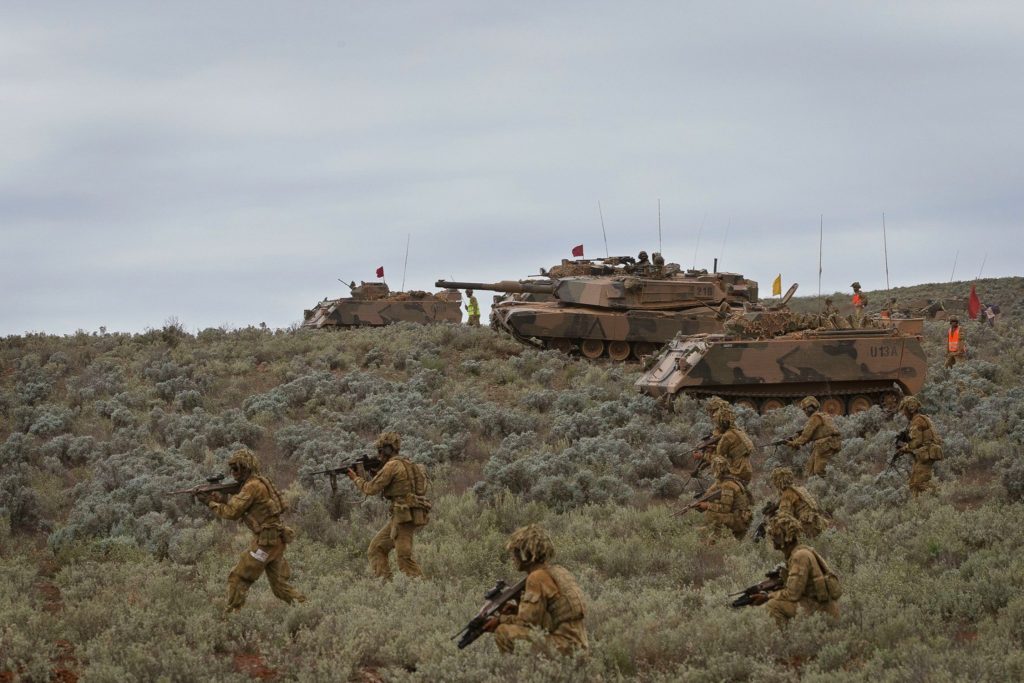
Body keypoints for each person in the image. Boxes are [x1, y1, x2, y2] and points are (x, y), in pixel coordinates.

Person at [199, 449, 306, 612]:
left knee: (238, 578)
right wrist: (220, 499)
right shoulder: (259, 482)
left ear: (246, 468)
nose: (233, 473)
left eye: (236, 468)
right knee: (280, 587)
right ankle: (307, 608)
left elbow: (232, 513)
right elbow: (240, 506)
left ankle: (231, 616)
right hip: (276, 540)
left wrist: (210, 503)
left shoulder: (251, 487)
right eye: (232, 469)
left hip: (266, 543)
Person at [485, 525, 588, 655]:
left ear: (525, 554)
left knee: (503, 632)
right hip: (579, 646)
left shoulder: (536, 577)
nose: (513, 557)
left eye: (516, 552)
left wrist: (500, 620)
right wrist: (517, 610)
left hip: (563, 646)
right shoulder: (558, 571)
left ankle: (516, 668)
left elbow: (527, 623)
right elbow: (549, 616)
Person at [348, 432, 431, 578]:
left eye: (381, 450)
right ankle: (385, 584)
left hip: (403, 517)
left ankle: (422, 588)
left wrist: (356, 478)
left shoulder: (392, 465)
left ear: (387, 449)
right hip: (405, 515)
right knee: (376, 549)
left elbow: (370, 489)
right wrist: (376, 473)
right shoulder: (407, 462)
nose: (379, 454)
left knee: (404, 559)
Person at [762, 513, 841, 627]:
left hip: (820, 609)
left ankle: (786, 637)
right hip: (815, 604)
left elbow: (793, 594)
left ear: (785, 537)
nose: (773, 538)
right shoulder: (798, 553)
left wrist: (768, 596)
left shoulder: (800, 556)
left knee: (773, 605)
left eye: (776, 535)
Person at [897, 397, 943, 498]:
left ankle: (938, 497)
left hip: (926, 455)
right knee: (913, 483)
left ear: (910, 409)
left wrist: (904, 448)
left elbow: (916, 442)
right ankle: (919, 503)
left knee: (919, 483)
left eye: (905, 410)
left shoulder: (917, 421)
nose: (904, 414)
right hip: (923, 454)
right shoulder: (920, 418)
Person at [697, 456, 752, 540]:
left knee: (712, 514)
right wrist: (699, 502)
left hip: (740, 520)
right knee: (715, 505)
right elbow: (709, 493)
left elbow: (725, 508)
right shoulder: (728, 479)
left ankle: (714, 538)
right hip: (742, 518)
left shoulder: (728, 485)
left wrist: (708, 505)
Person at [786, 396, 842, 477]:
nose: (804, 412)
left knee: (819, 471)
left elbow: (805, 437)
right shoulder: (823, 415)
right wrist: (796, 437)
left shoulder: (815, 418)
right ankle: (812, 482)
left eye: (804, 409)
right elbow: (816, 433)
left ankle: (824, 483)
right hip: (829, 443)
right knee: (810, 467)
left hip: (826, 445)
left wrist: (792, 443)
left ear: (809, 409)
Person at [768, 467, 828, 538]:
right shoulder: (800, 489)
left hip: (807, 527)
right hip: (818, 523)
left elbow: (784, 516)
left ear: (778, 482)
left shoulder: (787, 494)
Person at [713, 408, 754, 484]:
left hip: (737, 471)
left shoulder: (727, 436)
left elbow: (719, 455)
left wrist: (706, 454)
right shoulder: (740, 432)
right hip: (748, 471)